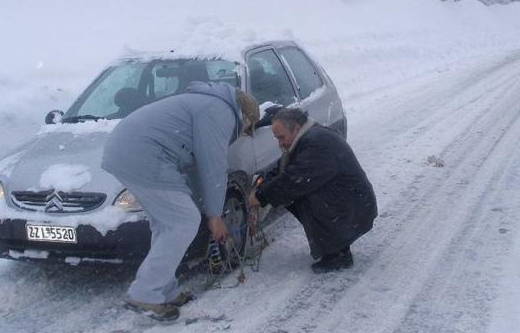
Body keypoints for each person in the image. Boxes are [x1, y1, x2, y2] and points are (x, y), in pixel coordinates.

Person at [101, 81, 259, 321]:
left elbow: (195, 167)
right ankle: (145, 293)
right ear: (244, 115)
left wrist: (207, 208)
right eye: (248, 127)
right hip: (144, 154)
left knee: (167, 225)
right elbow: (213, 166)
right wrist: (214, 216)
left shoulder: (206, 104)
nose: (243, 132)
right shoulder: (220, 111)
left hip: (126, 150)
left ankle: (164, 289)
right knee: (184, 222)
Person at [248, 108, 377, 273]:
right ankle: (338, 246)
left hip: (353, 208)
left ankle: (337, 255)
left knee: (303, 193)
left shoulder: (318, 144)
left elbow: (294, 178)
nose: (280, 143)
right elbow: (283, 167)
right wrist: (263, 184)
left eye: (281, 137)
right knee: (297, 192)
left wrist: (261, 196)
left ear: (295, 128)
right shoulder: (308, 136)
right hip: (350, 202)